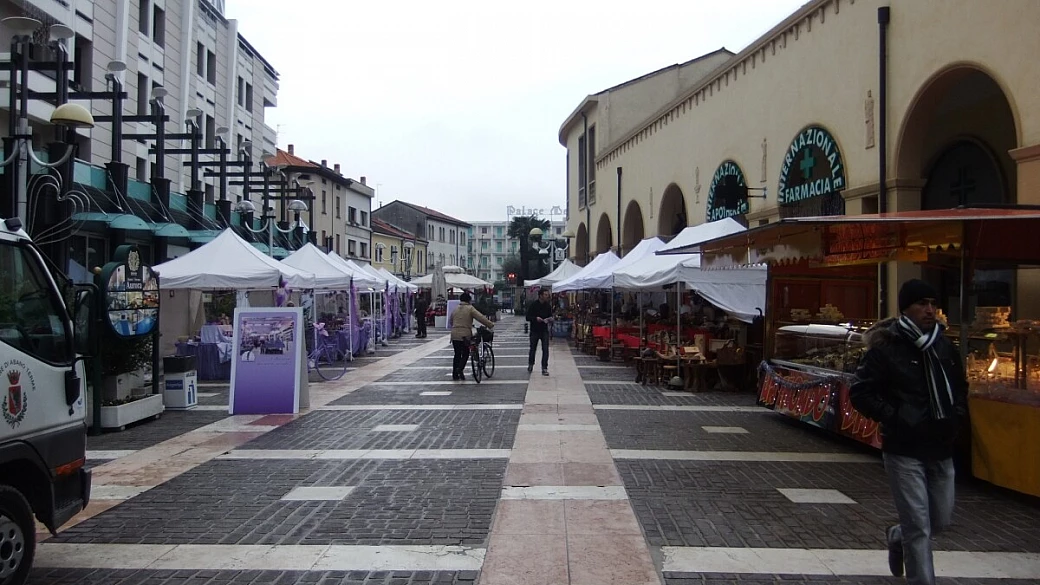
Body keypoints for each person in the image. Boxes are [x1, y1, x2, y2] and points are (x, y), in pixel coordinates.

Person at [850, 279, 967, 585]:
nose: (930, 311)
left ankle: (897, 535)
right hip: (904, 448)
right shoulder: (886, 348)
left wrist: (956, 418)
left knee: (939, 520)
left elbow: (959, 388)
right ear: (906, 308)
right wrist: (897, 418)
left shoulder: (943, 345)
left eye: (933, 304)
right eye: (922, 304)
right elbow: (861, 392)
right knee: (919, 525)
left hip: (941, 445)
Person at [449, 291, 494, 380]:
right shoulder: (470, 308)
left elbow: (451, 321)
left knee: (457, 354)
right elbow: (480, 317)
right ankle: (460, 369)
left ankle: (455, 374)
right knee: (465, 353)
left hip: (454, 334)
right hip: (465, 335)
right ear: (469, 300)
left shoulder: (455, 309)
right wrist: (490, 324)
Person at [526, 288, 554, 375]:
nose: (547, 296)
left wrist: (550, 319)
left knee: (545, 349)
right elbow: (527, 317)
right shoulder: (533, 305)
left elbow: (551, 316)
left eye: (547, 294)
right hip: (535, 330)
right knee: (533, 349)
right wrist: (535, 318)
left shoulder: (548, 306)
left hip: (544, 330)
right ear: (540, 295)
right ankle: (531, 364)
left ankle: (544, 368)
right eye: (545, 294)